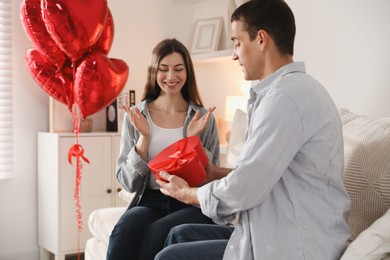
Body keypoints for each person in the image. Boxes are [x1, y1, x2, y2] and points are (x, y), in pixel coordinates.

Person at [155, 1, 351, 259]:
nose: (234, 54)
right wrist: (216, 173)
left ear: (261, 39)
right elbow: (265, 173)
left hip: (293, 242)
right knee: (179, 234)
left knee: (168, 257)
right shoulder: (289, 91)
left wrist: (188, 193)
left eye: (237, 42)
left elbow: (244, 189)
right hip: (274, 226)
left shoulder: (285, 98)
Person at [106, 38, 220, 260]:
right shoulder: (136, 116)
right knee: (125, 228)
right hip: (150, 199)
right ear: (154, 71)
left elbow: (209, 180)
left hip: (190, 201)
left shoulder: (202, 118)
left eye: (178, 69)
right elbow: (126, 182)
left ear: (187, 73)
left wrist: (192, 141)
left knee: (158, 232)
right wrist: (144, 139)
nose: (171, 77)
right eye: (164, 69)